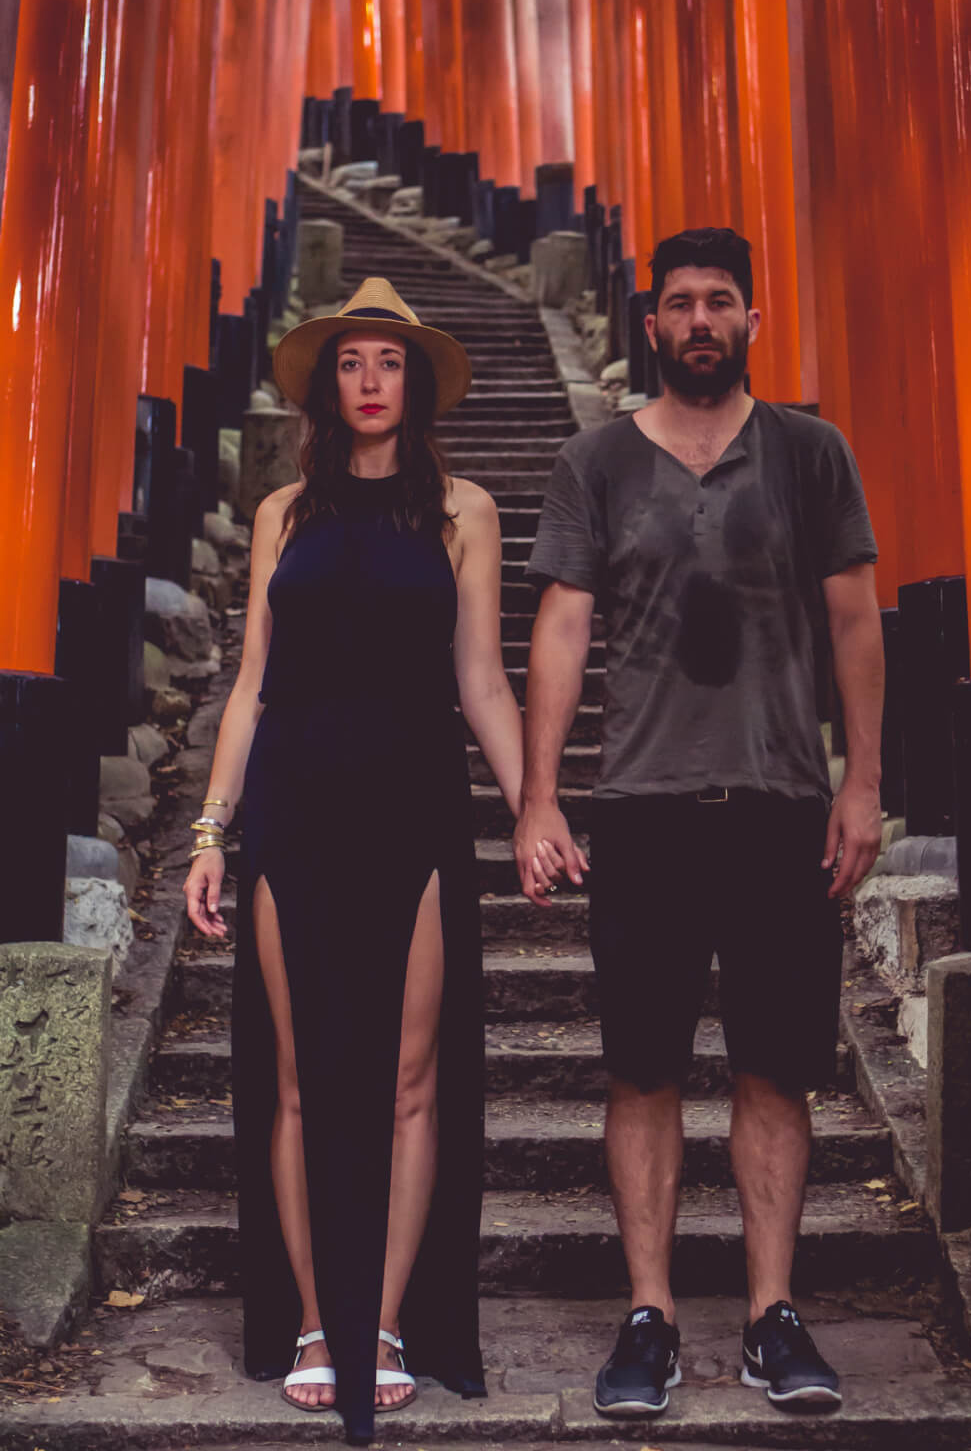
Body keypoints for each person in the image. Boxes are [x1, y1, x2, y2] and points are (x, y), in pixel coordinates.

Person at [514, 228, 884, 1417]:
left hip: (781, 804)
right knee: (642, 1068)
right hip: (642, 806)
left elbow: (857, 623)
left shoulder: (810, 453)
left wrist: (863, 780)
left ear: (751, 319)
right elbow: (562, 630)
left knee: (778, 1067)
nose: (701, 320)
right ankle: (651, 1315)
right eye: (681, 303)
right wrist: (539, 794)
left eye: (722, 300)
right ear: (651, 322)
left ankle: (775, 1314)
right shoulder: (600, 460)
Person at [184, 277, 524, 1446]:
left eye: (390, 362)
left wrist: (535, 806)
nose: (370, 381)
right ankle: (317, 1324)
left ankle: (380, 1323)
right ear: (328, 384)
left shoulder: (463, 509)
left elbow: (482, 680)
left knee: (408, 1077)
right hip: (295, 800)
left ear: (415, 383)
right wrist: (209, 831)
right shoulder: (283, 511)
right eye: (352, 362)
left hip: (415, 801)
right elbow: (248, 688)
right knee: (294, 1075)